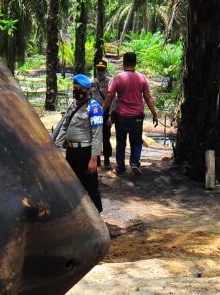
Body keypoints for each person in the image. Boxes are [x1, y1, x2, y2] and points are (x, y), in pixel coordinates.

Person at [51, 73, 104, 211]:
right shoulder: (71, 104)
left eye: (79, 89)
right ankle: (77, 213)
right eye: (74, 88)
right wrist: (57, 147)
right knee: (71, 183)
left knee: (90, 186)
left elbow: (97, 135)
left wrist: (94, 159)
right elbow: (64, 126)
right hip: (71, 151)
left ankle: (97, 215)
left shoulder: (94, 108)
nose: (77, 92)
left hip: (85, 152)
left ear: (88, 91)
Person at [102, 51, 159, 176]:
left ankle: (121, 168)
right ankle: (134, 163)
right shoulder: (142, 78)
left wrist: (102, 110)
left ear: (123, 63)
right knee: (137, 141)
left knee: (121, 142)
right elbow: (148, 98)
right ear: (135, 63)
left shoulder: (118, 78)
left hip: (121, 116)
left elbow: (110, 96)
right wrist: (154, 113)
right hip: (137, 116)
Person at [91, 60, 114, 170]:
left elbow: (113, 99)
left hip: (105, 114)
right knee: (95, 137)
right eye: (98, 69)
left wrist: (111, 115)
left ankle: (107, 160)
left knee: (106, 137)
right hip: (94, 114)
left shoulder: (110, 82)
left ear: (105, 69)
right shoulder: (92, 82)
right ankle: (97, 159)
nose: (100, 71)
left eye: (102, 69)